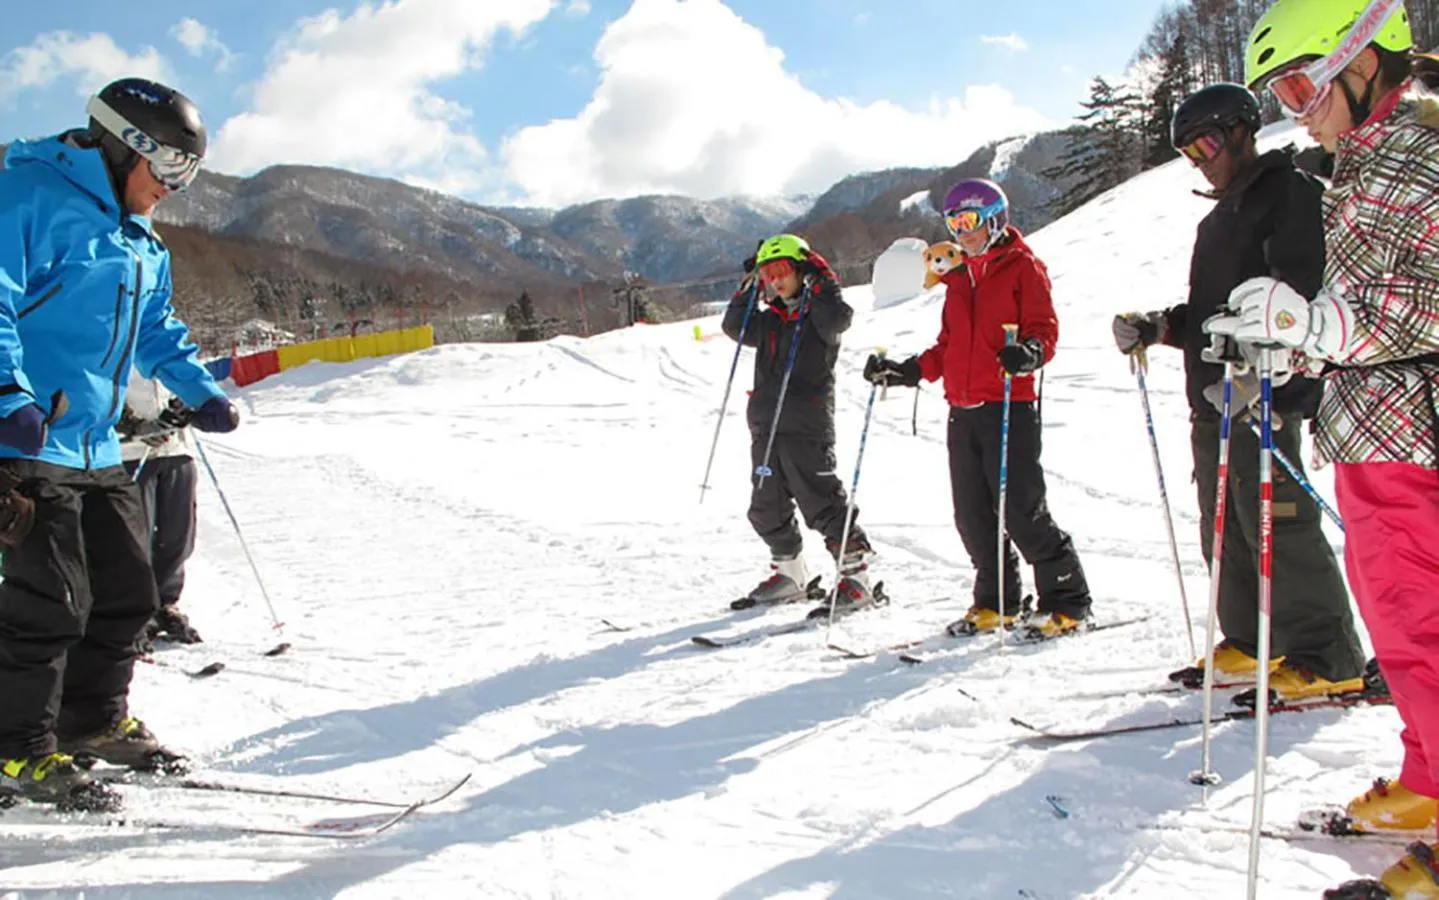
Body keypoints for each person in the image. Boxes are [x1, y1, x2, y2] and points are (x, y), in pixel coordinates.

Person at [1203, 1, 1439, 893]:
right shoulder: (1361, 162)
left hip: (1416, 435)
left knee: (1428, 623)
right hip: (1374, 431)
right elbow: (1360, 313)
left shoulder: (1418, 154)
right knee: (1401, 626)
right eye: (1280, 95)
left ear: (1363, 61)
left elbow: (1421, 303)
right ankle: (1428, 774)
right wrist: (1285, 342)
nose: (1293, 111)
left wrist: (1316, 324)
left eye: (1301, 86)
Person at [0, 77, 240, 812]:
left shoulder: (141, 241)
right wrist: (8, 396)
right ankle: (15, 748)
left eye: (189, 172)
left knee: (128, 594)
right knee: (48, 603)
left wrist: (199, 391)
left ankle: (91, 721)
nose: (175, 185)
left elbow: (157, 328)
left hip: (97, 445)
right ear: (121, 145)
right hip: (28, 441)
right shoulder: (26, 198)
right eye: (169, 165)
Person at [1112, 82, 1367, 700]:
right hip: (1214, 398)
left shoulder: (1290, 193)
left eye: (1205, 144)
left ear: (1241, 131)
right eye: (1187, 153)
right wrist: (1162, 327)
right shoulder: (1217, 219)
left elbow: (1298, 295)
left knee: (1279, 522)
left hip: (1266, 393)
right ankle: (1253, 639)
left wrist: (1261, 357)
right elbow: (1211, 315)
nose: (1198, 160)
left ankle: (1328, 654)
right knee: (1223, 525)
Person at [865, 178, 1093, 641]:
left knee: (1022, 512)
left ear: (994, 219)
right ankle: (997, 601)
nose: (962, 232)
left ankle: (1067, 602)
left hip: (1009, 405)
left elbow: (1043, 329)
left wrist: (1029, 352)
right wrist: (908, 370)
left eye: (969, 221)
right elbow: (948, 346)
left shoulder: (1023, 266)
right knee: (972, 516)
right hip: (963, 408)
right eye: (953, 223)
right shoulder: (960, 277)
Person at [722, 234, 879, 614]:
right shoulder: (767, 320)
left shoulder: (819, 317)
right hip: (766, 425)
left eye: (782, 271)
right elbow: (734, 326)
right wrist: (748, 285)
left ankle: (857, 579)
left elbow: (839, 317)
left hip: (806, 424)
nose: (775, 280)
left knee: (821, 500)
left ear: (801, 271)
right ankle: (791, 574)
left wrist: (821, 275)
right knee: (766, 505)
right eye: (768, 274)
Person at [119, 369, 202, 648]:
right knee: (136, 538)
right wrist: (133, 424)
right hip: (131, 451)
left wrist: (184, 406)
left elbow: (187, 376)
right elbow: (99, 389)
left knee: (179, 535)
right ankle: (135, 610)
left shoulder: (165, 345)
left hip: (176, 449)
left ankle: (166, 603)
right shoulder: (113, 343)